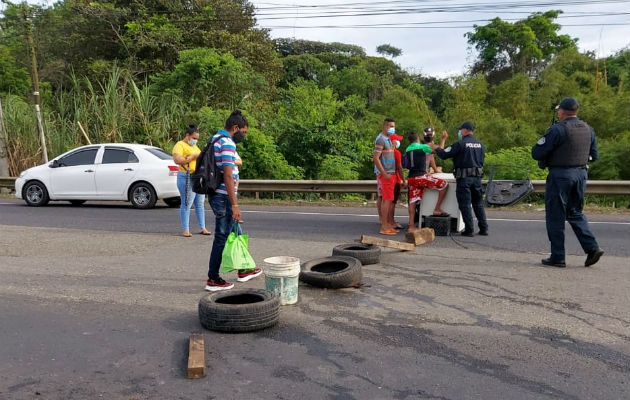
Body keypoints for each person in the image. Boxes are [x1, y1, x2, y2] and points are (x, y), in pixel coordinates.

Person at [531, 97, 604, 268]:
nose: (558, 112)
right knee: (575, 212)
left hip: (560, 175)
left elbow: (536, 152)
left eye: (559, 110)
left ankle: (558, 256)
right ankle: (592, 248)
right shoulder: (588, 129)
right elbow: (594, 155)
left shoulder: (558, 129)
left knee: (555, 215)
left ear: (562, 111)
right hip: (580, 175)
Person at [205, 110, 262, 291]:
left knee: (236, 230)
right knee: (222, 236)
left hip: (219, 194)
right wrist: (235, 204)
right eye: (243, 132)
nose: (243, 136)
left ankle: (244, 268)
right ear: (235, 128)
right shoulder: (227, 142)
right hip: (224, 196)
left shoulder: (215, 138)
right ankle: (213, 278)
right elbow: (228, 175)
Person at [429, 122, 488, 237]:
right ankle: (484, 228)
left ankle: (469, 229)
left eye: (460, 130)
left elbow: (445, 154)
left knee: (465, 204)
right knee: (478, 204)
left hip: (464, 178)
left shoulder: (460, 144)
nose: (459, 132)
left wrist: (435, 148)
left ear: (465, 130)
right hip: (477, 178)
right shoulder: (480, 144)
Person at [172, 124, 211, 237]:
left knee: (199, 203)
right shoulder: (180, 145)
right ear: (187, 135)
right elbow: (177, 159)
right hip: (186, 176)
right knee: (187, 202)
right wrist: (192, 157)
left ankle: (202, 227)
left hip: (197, 176)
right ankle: (185, 229)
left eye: (197, 139)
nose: (195, 141)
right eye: (194, 138)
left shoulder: (195, 147)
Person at [405, 131, 449, 232]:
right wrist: (443, 139)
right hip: (420, 177)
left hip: (411, 178)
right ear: (417, 140)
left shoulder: (408, 149)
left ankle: (411, 226)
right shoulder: (422, 147)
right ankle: (437, 208)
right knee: (444, 185)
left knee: (412, 201)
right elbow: (439, 150)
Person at [373, 118, 398, 235]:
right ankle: (384, 226)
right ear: (386, 126)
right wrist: (384, 174)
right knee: (386, 200)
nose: (393, 128)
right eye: (392, 126)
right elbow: (376, 158)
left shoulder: (388, 139)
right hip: (386, 174)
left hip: (390, 173)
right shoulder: (381, 139)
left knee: (387, 199)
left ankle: (387, 224)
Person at [388, 134, 405, 230]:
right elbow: (399, 167)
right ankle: (392, 222)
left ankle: (387, 221)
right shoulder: (396, 153)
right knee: (392, 202)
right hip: (395, 179)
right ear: (393, 142)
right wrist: (403, 180)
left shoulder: (384, 152)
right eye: (397, 140)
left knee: (387, 201)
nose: (398, 142)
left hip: (387, 178)